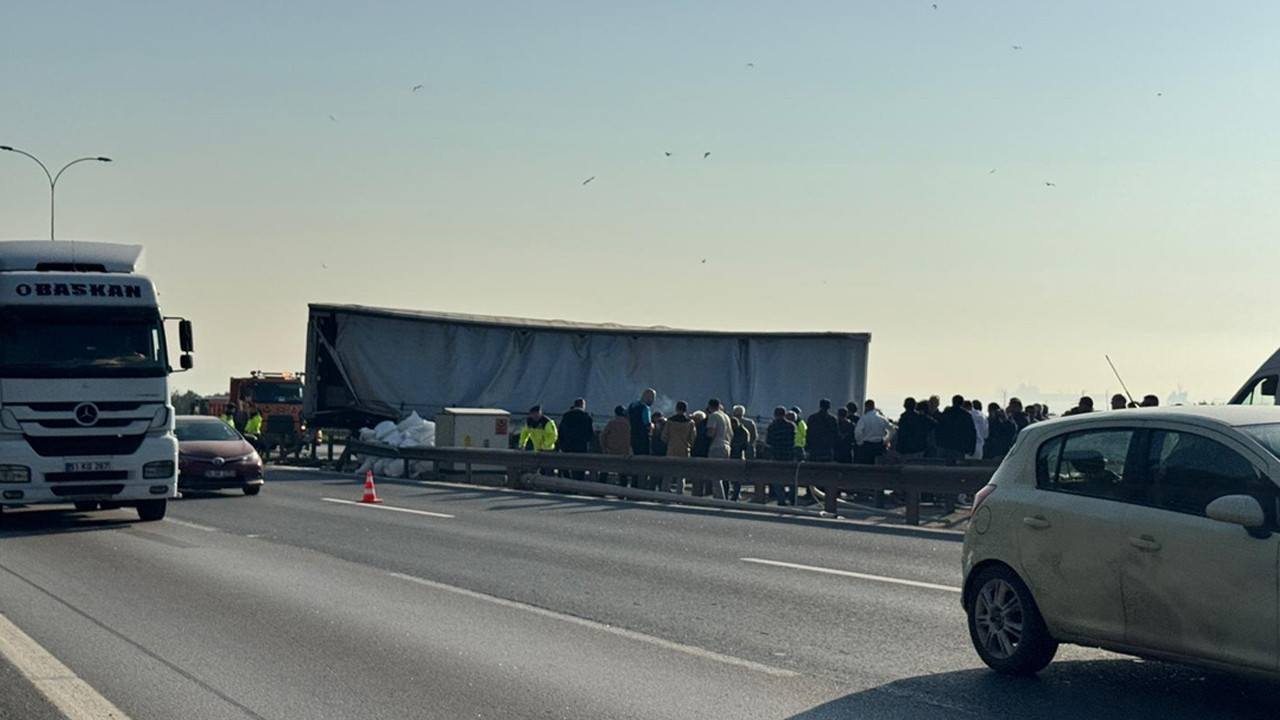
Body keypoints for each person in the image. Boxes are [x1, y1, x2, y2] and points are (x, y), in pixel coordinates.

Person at [660, 401, 697, 494]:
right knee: (681, 475)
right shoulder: (690, 423)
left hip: (671, 450)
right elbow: (693, 439)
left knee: (668, 473)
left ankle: (664, 492)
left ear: (676, 409)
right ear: (685, 410)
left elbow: (664, 436)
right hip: (684, 451)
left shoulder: (669, 422)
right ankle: (679, 493)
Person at [764, 406, 796, 504]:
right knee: (791, 478)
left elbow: (768, 442)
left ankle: (781, 499)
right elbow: (793, 440)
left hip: (776, 454)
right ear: (785, 414)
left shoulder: (772, 426)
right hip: (789, 454)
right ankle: (792, 499)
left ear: (775, 415)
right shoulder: (791, 425)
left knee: (777, 478)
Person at [558, 398, 594, 480]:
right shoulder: (586, 417)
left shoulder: (567, 416)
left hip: (567, 445)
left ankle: (567, 480)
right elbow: (590, 433)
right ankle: (578, 481)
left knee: (566, 465)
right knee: (580, 466)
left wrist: (562, 443)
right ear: (583, 405)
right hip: (581, 446)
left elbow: (561, 431)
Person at [703, 399, 732, 498]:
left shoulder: (713, 416)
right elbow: (731, 433)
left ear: (709, 406)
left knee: (714, 475)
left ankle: (720, 498)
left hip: (717, 446)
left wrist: (705, 435)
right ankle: (722, 496)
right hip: (727, 446)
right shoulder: (726, 416)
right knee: (722, 475)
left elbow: (711, 432)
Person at [937, 395, 978, 465]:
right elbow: (971, 433)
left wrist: (939, 444)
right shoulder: (966, 415)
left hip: (946, 445)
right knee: (958, 467)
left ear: (952, 402)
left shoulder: (945, 414)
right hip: (960, 447)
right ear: (962, 403)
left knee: (945, 467)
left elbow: (938, 430)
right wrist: (971, 448)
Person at [628, 388, 656, 488]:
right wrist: (653, 426)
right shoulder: (645, 408)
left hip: (632, 437)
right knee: (644, 462)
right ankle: (641, 484)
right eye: (653, 398)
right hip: (643, 439)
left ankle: (633, 483)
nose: (653, 400)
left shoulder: (632, 406)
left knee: (635, 462)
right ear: (649, 397)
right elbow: (647, 423)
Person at [853, 399, 891, 464]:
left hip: (867, 445)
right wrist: (886, 439)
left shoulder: (863, 419)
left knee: (866, 465)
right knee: (878, 465)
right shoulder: (882, 419)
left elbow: (858, 432)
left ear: (866, 407)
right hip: (879, 445)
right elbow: (892, 429)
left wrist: (859, 442)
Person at [600, 405, 631, 484]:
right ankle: (623, 489)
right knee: (623, 473)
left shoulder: (611, 423)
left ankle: (601, 486)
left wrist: (604, 448)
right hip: (624, 452)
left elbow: (603, 436)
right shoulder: (628, 424)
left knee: (605, 470)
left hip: (611, 450)